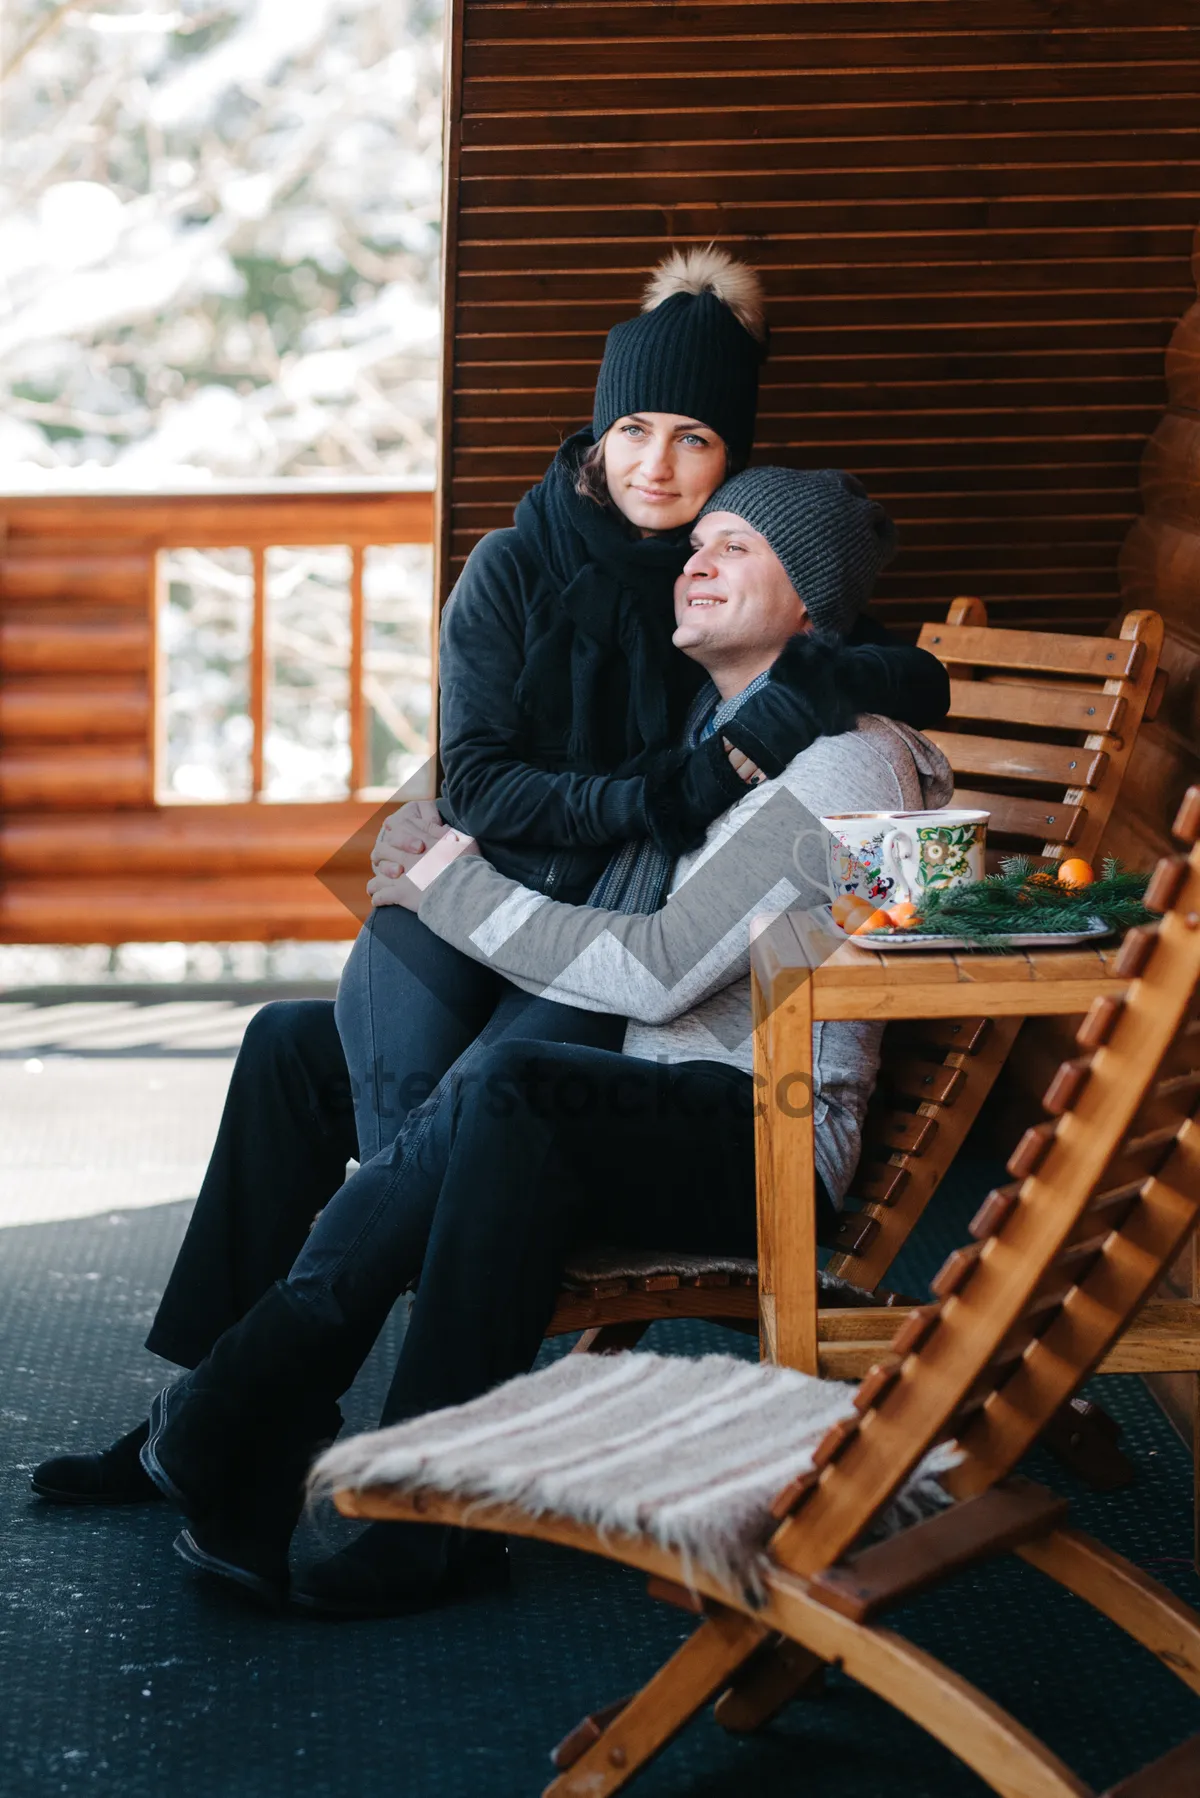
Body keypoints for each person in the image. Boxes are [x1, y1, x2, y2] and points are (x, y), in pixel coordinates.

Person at [31, 258, 944, 1538]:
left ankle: (253, 1417)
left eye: (702, 461)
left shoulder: (784, 706)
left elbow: (855, 664)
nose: (666, 479)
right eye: (636, 432)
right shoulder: (539, 576)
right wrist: (572, 827)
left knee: (464, 1117)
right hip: (527, 929)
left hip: (633, 1009)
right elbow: (476, 778)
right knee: (293, 1045)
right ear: (598, 429)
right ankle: (205, 1407)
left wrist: (839, 688)